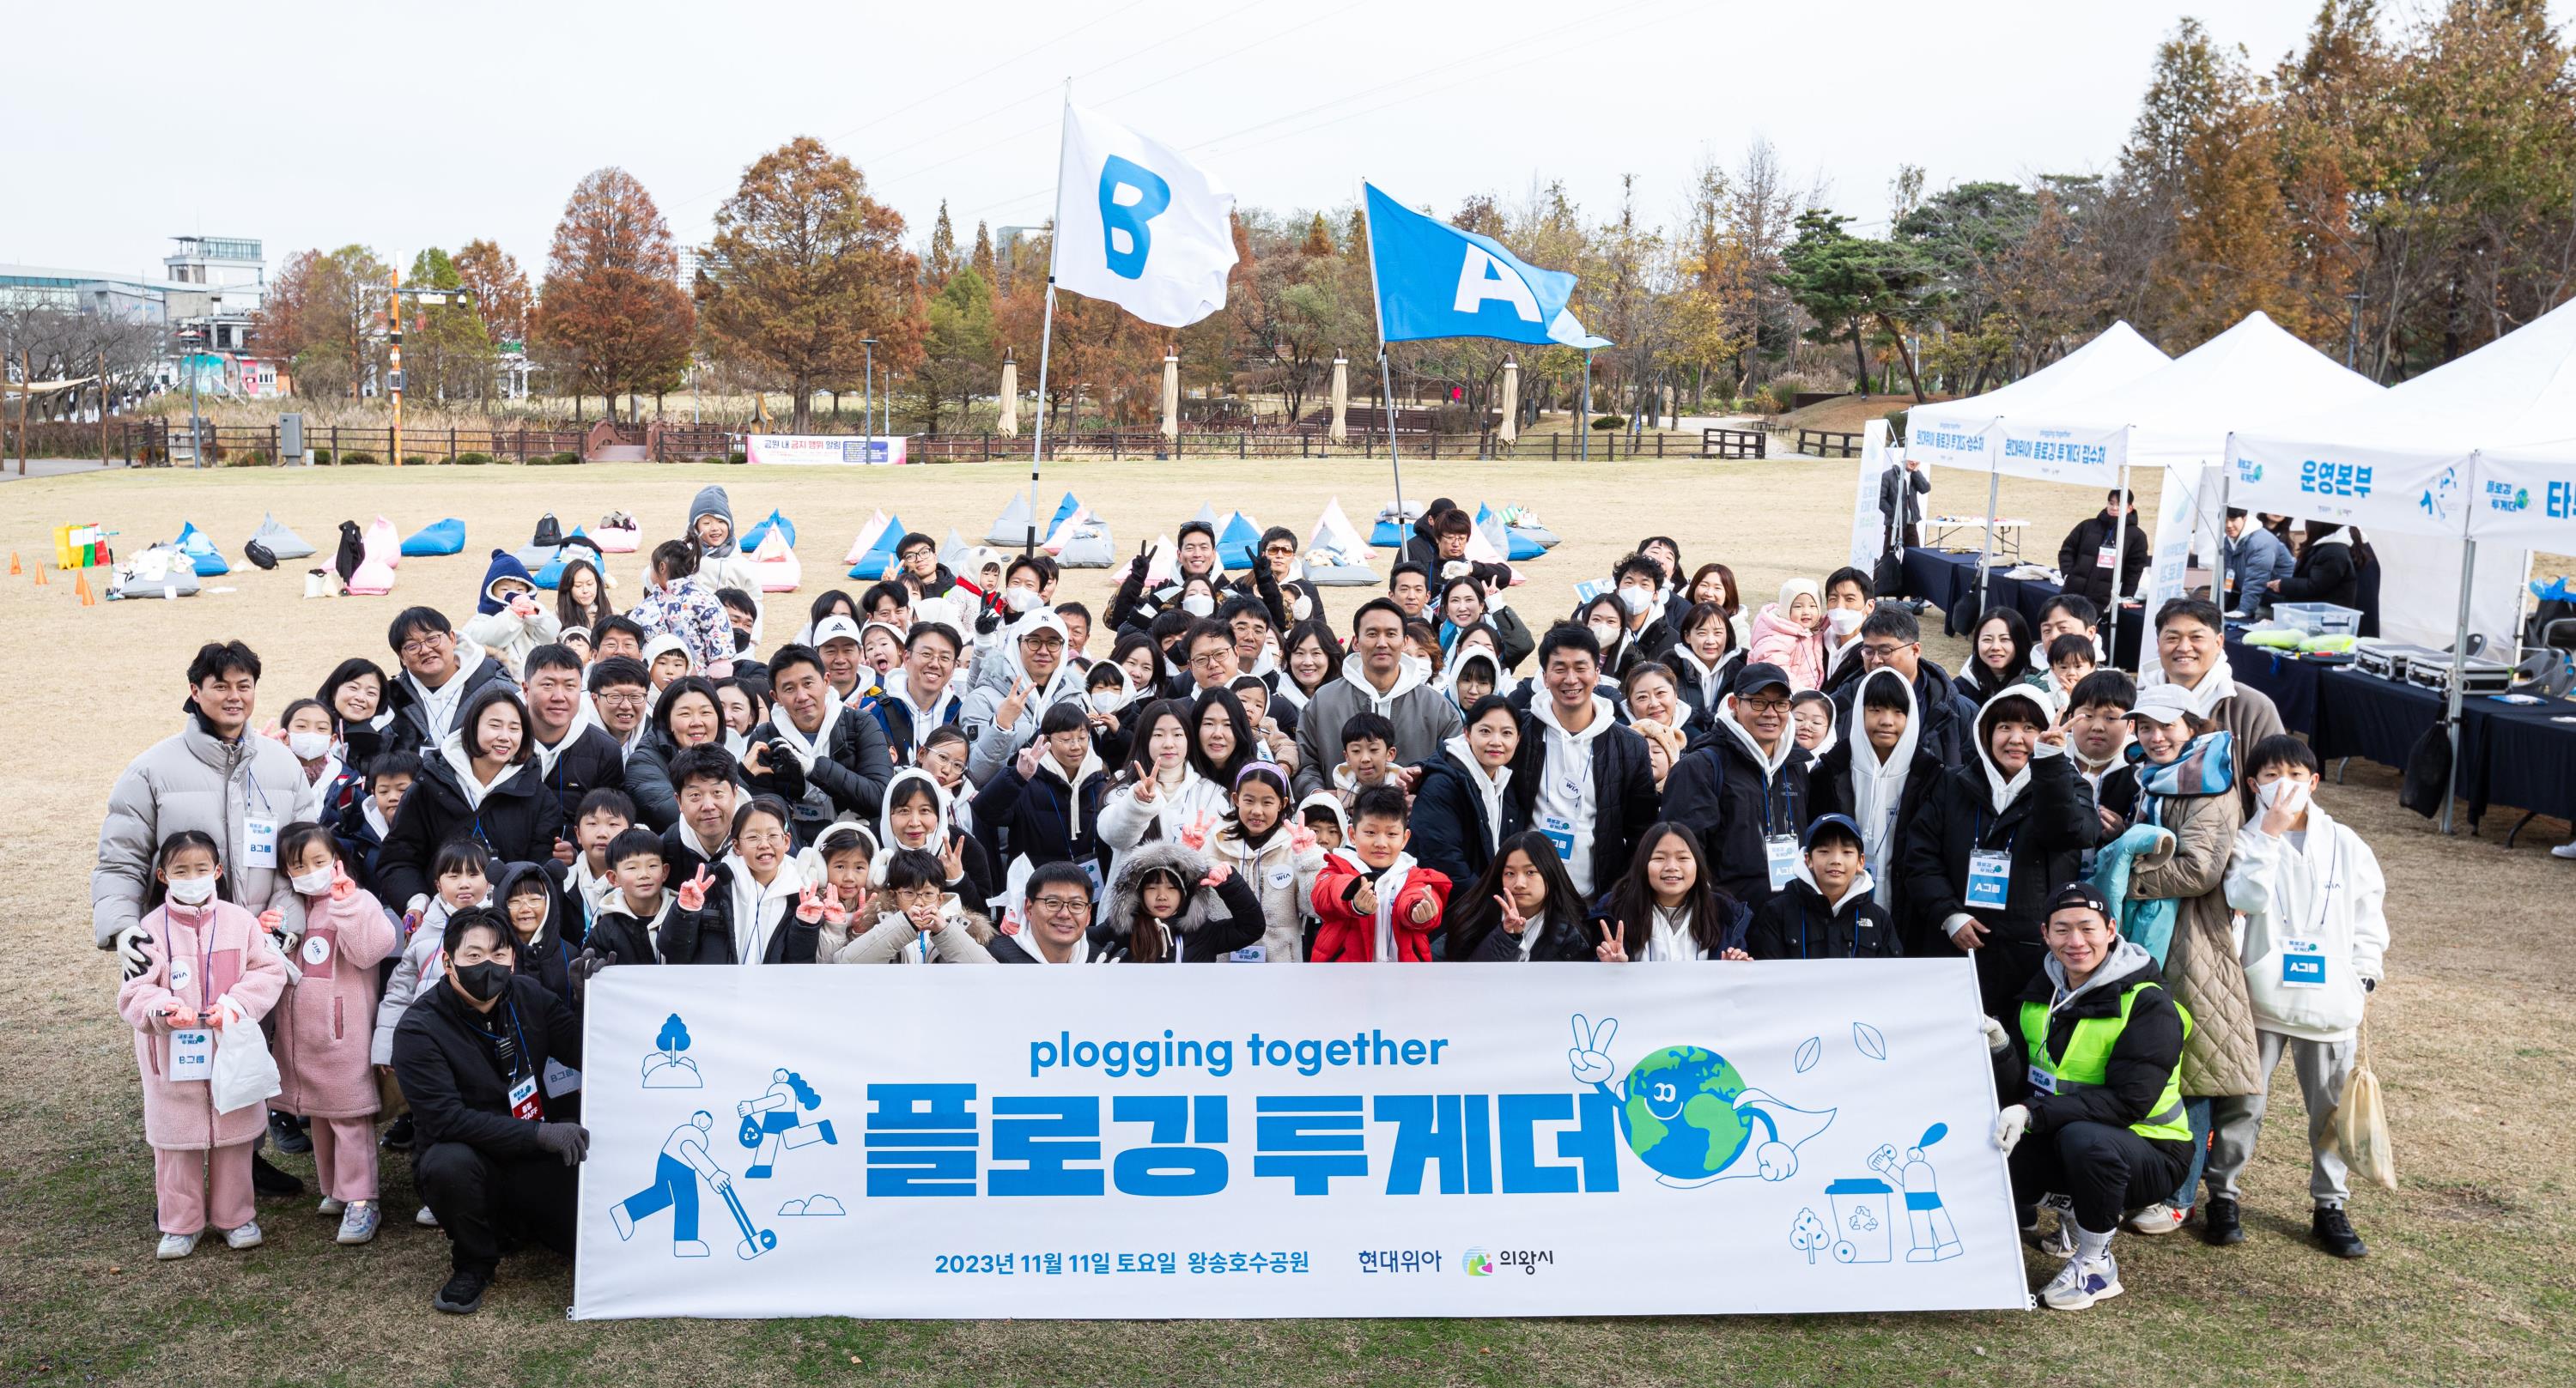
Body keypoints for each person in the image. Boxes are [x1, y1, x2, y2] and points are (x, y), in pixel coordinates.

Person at [2207, 736, 2388, 1258]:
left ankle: (2330, 1205)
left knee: (2330, 1111)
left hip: (2330, 1003)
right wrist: (2267, 835)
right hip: (2260, 997)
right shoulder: (2245, 840)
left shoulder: (2349, 845)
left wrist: (2363, 975)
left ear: (2314, 781)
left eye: (2293, 774)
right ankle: (2223, 1194)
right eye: (2268, 775)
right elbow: (2245, 896)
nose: (2281, 785)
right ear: (2251, 784)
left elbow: (2368, 918)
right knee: (2243, 1103)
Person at [1990, 882, 2192, 1312]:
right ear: (2045, 934)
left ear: (2112, 930)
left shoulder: (2147, 1002)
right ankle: (2076, 1212)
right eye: (2062, 930)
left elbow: (2128, 1103)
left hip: (2151, 1151)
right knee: (1991, 1146)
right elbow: (2027, 1084)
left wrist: (2033, 1114)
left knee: (2087, 1140)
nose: (2075, 941)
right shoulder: (2042, 991)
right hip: (2067, 1130)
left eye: (2088, 928)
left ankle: (2095, 1262)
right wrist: (2002, 1048)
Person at [391, 906, 589, 1314]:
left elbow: (586, 1052)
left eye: (499, 956)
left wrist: (590, 1002)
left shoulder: (530, 996)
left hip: (533, 1153)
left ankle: (520, 1225)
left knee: (584, 1242)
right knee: (448, 1165)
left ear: (512, 960)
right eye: (474, 955)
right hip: (470, 1153)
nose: (488, 966)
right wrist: (542, 1134)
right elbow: (446, 1119)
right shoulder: (418, 1028)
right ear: (448, 962)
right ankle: (474, 1262)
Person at [2112, 683, 2254, 1238]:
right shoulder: (2153, 779)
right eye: (2145, 726)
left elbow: (2200, 870)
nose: (2154, 735)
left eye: (2166, 725)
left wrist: (2125, 877)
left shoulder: (2212, 786)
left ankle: (2178, 1195)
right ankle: (2148, 1181)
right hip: (2154, 940)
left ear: (2191, 727)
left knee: (2189, 1068)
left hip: (2193, 945)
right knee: (2146, 1059)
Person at [118, 830, 291, 1259]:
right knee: (177, 1145)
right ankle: (179, 1223)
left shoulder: (240, 921)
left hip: (229, 1048)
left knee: (234, 1139)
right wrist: (162, 1008)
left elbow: (269, 971)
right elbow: (133, 991)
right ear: (163, 876)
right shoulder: (149, 929)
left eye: (200, 870)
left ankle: (237, 1216)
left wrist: (235, 1005)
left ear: (216, 871)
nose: (192, 878)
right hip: (171, 1058)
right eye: (181, 871)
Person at [1899, 685, 2099, 1018]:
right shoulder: (1953, 783)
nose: (2016, 739)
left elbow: (2071, 832)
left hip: (2029, 955)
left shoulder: (2068, 784)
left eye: (2029, 729)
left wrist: (2050, 767)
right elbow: (1920, 857)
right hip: (1957, 946)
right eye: (2005, 727)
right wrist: (1949, 914)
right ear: (1985, 732)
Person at [269, 824, 398, 1246]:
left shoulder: (357, 900)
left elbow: (373, 949)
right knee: (321, 1116)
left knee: (349, 1116)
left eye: (319, 862)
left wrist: (347, 907)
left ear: (337, 861)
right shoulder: (292, 909)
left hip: (344, 1034)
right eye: (298, 865)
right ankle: (336, 1190)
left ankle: (362, 1198)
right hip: (302, 1036)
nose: (310, 872)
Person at [374, 687, 567, 914]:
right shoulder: (429, 786)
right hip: (438, 921)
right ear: (472, 727)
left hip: (508, 925)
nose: (505, 736)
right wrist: (417, 904)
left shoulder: (538, 796)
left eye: (514, 728)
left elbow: (539, 869)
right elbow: (398, 859)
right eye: (495, 725)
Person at [1510, 625, 1656, 902]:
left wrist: (1619, 896)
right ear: (1544, 676)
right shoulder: (1519, 732)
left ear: (1597, 674)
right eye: (1559, 668)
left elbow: (1642, 833)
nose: (1571, 679)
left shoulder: (1628, 746)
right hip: (1527, 901)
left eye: (1580, 667)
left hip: (1595, 902)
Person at [1662, 663, 1811, 915]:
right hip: (1727, 919)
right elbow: (1682, 852)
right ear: (1734, 704)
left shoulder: (1796, 767)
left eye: (1781, 703)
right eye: (1758, 702)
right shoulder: (1701, 767)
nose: (1771, 713)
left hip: (1790, 917)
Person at [1810, 668, 1942, 935]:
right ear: (1860, 712)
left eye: (1898, 712)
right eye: (1876, 709)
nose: (1886, 721)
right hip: (1838, 905)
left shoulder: (1930, 775)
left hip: (1909, 908)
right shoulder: (1830, 771)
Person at [1292, 599, 1461, 797]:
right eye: (1372, 634)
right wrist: (1322, 796)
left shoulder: (1436, 707)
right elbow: (1306, 763)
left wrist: (1423, 799)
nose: (1382, 643)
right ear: (1356, 642)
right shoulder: (1324, 702)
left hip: (1416, 823)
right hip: (1337, 822)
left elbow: (1456, 766)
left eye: (1391, 634)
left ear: (1405, 641)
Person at [751, 645, 896, 843]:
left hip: (857, 844)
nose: (802, 696)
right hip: (789, 850)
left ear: (826, 681)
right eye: (789, 688)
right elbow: (760, 808)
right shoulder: (765, 737)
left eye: (808, 683)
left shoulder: (860, 724)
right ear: (775, 697)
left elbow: (881, 797)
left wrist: (813, 768)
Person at [659, 797, 824, 965]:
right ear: (737, 846)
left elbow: (798, 963)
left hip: (770, 990)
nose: (764, 844)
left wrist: (806, 926)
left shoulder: (800, 893)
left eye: (773, 835)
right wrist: (685, 911)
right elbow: (672, 950)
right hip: (716, 989)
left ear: (786, 841)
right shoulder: (712, 883)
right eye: (753, 837)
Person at [1309, 785, 1449, 962]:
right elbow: (1327, 892)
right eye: (1370, 832)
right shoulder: (1335, 870)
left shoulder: (1416, 876)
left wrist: (1417, 910)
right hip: (1345, 980)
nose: (1381, 843)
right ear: (1352, 834)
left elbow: (1423, 894)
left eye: (1391, 834)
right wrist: (1353, 897)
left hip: (1406, 980)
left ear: (1405, 838)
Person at [2148, 598, 2286, 777]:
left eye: (2196, 637)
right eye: (2172, 638)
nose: (2184, 647)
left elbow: (2279, 779)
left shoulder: (2253, 708)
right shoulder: (2140, 700)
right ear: (2159, 644)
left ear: (2219, 643)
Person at [1829, 603, 1977, 766]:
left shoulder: (1959, 712)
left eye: (1886, 651)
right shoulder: (1841, 704)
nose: (1876, 660)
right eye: (1869, 652)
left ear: (1915, 650)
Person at [1406, 694, 1525, 895]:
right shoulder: (1442, 784)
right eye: (1485, 731)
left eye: (1506, 733)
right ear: (1467, 734)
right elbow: (1445, 863)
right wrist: (1490, 906)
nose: (1496, 742)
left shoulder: (1506, 782)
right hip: (1449, 910)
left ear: (1518, 739)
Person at [975, 702, 1109, 875]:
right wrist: (1017, 777)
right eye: (1066, 740)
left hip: (1086, 890)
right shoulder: (1027, 777)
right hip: (1036, 887)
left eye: (1082, 738)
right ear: (1046, 739)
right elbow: (985, 811)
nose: (1076, 746)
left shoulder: (1099, 780)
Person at [1209, 761, 1324, 962]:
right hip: (1224, 963)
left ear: (1283, 803)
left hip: (1281, 965)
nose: (1257, 811)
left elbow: (1314, 908)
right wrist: (1188, 854)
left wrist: (1309, 859)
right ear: (1236, 799)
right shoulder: (1214, 844)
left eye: (1267, 802)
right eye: (1249, 800)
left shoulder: (1294, 845)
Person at [1593, 822, 1751, 962]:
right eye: (1659, 858)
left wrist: (1735, 967)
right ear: (1642, 864)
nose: (1671, 867)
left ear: (1698, 864)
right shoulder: (1614, 910)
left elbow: (1736, 988)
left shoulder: (1725, 914)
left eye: (1682, 858)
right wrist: (1611, 968)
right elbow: (1593, 979)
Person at [1747, 814, 1900, 959]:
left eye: (1847, 852)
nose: (1836, 860)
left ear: (1861, 861)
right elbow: (1767, 978)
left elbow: (1891, 979)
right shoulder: (1776, 913)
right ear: (1808, 860)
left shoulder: (1879, 919)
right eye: (1824, 851)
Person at [963, 610, 1087, 785]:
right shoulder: (983, 698)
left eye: (1053, 643)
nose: (1044, 651)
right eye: (1034, 641)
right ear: (1017, 644)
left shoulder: (1073, 698)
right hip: (1009, 808)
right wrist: (1001, 726)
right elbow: (976, 775)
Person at [1095, 841, 1268, 962]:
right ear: (1138, 893)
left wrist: (1231, 885)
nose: (1161, 896)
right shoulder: (1123, 929)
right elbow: (1079, 940)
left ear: (1184, 893)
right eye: (1152, 888)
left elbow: (1252, 928)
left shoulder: (1203, 933)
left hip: (1193, 1012)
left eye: (1171, 888)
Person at [519, 644, 629, 834]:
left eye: (570, 686)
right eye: (548, 685)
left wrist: (577, 847)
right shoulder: (504, 741)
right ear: (526, 690)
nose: (559, 696)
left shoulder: (605, 749)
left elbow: (609, 821)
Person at [381, 607, 520, 758]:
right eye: (412, 646)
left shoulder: (498, 688)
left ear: (452, 638)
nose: (425, 650)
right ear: (402, 657)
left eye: (432, 639)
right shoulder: (392, 698)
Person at [828, 847, 998, 964]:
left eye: (928, 894)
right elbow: (844, 964)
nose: (919, 901)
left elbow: (988, 972)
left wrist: (944, 931)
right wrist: (904, 926)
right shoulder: (878, 924)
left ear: (940, 899)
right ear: (894, 895)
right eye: (909, 893)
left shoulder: (961, 926)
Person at [1451, 832, 1594, 962]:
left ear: (1550, 874)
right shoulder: (1474, 918)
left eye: (1530, 872)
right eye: (1510, 873)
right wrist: (1505, 937)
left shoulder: (1573, 930)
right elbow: (1470, 979)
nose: (1519, 884)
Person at [629, 540, 734, 676]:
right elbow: (721, 646)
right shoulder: (706, 599)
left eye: (651, 566)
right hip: (698, 683)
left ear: (662, 567)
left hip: (665, 680)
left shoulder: (643, 608)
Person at [461, 550, 561, 679]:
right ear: (491, 591)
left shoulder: (531, 616)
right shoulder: (482, 620)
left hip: (536, 680)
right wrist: (514, 615)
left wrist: (535, 614)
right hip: (501, 683)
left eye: (520, 590)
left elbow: (551, 633)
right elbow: (488, 636)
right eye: (505, 589)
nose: (513, 594)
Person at [587, 827, 674, 966]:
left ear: (664, 872)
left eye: (652, 865)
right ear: (613, 878)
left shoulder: (682, 915)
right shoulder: (605, 929)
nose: (644, 874)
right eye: (632, 868)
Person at [2057, 488, 2152, 610]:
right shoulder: (2087, 526)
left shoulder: (2137, 536)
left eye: (2120, 504)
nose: (2114, 508)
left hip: (2103, 599)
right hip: (2071, 591)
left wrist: (2126, 596)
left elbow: (2134, 570)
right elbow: (2067, 550)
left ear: (2130, 508)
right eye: (2111, 503)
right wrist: (2068, 574)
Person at [990, 862, 1103, 964]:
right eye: (1053, 903)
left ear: (1088, 915)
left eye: (1076, 905)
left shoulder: (1101, 962)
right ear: (1029, 908)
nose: (1065, 914)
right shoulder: (995, 961)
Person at [1663, 601, 1741, 731]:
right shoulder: (1670, 667)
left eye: (1718, 633)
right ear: (1687, 636)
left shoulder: (1741, 668)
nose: (1710, 641)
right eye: (1702, 633)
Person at [1748, 579, 1828, 692]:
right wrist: (1802, 693)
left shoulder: (1812, 630)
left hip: (1809, 694)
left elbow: (1827, 622)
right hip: (1785, 695)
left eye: (1812, 606)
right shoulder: (1776, 637)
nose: (1806, 611)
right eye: (1798, 606)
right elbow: (1777, 669)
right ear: (1786, 609)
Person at [2266, 525, 2368, 610]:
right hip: (2315, 614)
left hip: (2326, 619)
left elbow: (2316, 585)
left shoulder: (2334, 552)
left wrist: (2284, 585)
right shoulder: (2326, 548)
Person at [2221, 508, 2296, 618]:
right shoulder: (2228, 541)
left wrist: (2244, 611)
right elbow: (2224, 576)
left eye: (2233, 520)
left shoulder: (2261, 542)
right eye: (2224, 520)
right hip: (2255, 598)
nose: (2228, 525)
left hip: (2276, 603)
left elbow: (2256, 580)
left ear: (2244, 518)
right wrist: (2217, 608)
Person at [1958, 609, 2034, 706]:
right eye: (1987, 639)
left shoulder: (2036, 686)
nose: (1995, 647)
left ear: (2020, 642)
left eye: (2005, 639)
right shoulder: (1960, 691)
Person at [587, 658, 655, 767]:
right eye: (615, 696)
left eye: (635, 696)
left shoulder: (655, 737)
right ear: (595, 700)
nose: (626, 706)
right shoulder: (575, 740)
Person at [1817, 567, 1876, 690]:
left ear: (1870, 606)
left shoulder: (1874, 653)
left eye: (1849, 599)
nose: (1839, 606)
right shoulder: (1816, 642)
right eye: (1833, 599)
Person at [1880, 452, 1929, 564]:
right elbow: (1881, 499)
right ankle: (1879, 581)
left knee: (1916, 557)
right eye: (1911, 459)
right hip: (1894, 525)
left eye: (1916, 459)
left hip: (1911, 524)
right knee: (1888, 557)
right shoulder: (1888, 476)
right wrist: (1894, 515)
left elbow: (1925, 488)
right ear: (1902, 459)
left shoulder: (1914, 476)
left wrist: (1916, 472)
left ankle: (1910, 581)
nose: (1914, 462)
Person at [555, 555, 614, 634]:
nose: (585, 590)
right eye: (578, 585)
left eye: (590, 584)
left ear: (598, 584)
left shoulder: (612, 614)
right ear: (567, 588)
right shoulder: (556, 620)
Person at [1790, 690, 1838, 756]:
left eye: (1816, 722)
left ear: (1829, 729)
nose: (1806, 727)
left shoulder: (1831, 764)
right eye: (1799, 719)